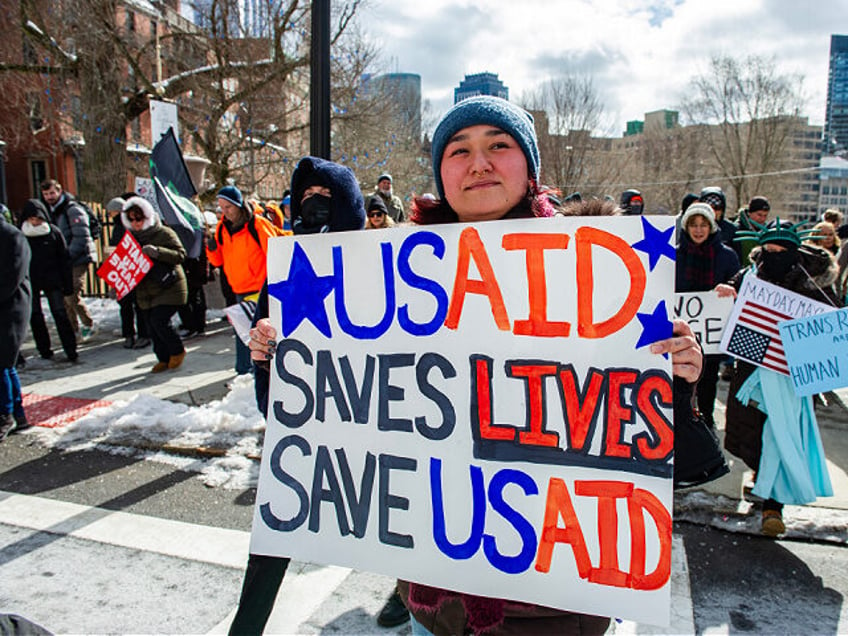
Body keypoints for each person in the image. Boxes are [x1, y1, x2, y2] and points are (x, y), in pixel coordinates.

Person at [249, 96, 702, 636]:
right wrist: (286, 363)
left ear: (529, 166)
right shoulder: (388, 276)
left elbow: (635, 435)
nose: (479, 162)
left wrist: (677, 378)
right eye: (459, 150)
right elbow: (352, 415)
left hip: (552, 605)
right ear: (441, 173)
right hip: (436, 601)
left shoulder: (603, 266)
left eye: (499, 145)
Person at [229, 156, 366, 636]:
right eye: (306, 197)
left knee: (400, 514)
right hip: (304, 425)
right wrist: (263, 354)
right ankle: (245, 627)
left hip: (372, 425)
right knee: (276, 528)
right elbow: (266, 339)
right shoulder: (285, 264)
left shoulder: (376, 258)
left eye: (326, 197)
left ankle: (401, 594)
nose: (314, 205)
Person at [720, 219, 838, 537]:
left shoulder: (813, 281)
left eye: (780, 250)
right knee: (747, 430)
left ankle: (773, 505)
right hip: (751, 364)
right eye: (768, 249)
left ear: (792, 250)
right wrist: (726, 291)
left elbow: (829, 323)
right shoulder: (752, 273)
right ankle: (762, 475)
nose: (773, 255)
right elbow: (734, 291)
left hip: (791, 373)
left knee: (781, 435)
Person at [675, 202, 740, 427]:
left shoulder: (727, 256)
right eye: (694, 224)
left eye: (704, 224)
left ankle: (706, 424)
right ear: (686, 227)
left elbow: (736, 285)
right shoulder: (674, 255)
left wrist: (730, 287)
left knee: (707, 384)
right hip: (681, 335)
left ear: (712, 226)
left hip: (711, 339)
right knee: (681, 382)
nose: (699, 229)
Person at [206, 185, 279, 375]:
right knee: (243, 333)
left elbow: (275, 253)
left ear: (238, 205)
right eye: (221, 208)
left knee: (258, 333)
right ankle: (245, 371)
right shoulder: (222, 228)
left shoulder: (257, 224)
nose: (225, 212)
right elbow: (218, 261)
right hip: (238, 290)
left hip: (259, 290)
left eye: (228, 207)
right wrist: (211, 248)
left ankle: (254, 371)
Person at [122, 197, 188, 373]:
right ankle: (163, 358)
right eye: (132, 219)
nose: (136, 223)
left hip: (169, 286)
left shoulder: (163, 233)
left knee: (159, 321)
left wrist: (157, 252)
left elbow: (180, 255)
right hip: (146, 290)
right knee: (151, 326)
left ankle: (177, 351)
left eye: (139, 218)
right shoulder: (130, 239)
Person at [19, 199, 79, 363]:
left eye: (38, 218)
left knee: (59, 313)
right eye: (32, 219)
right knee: (35, 315)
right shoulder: (21, 233)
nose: (35, 222)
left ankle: (70, 349)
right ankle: (44, 349)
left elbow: (64, 259)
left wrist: (67, 284)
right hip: (30, 280)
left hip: (52, 280)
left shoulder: (53, 232)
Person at [40, 179, 97, 339]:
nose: (49, 197)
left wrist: (67, 256)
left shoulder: (72, 209)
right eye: (46, 194)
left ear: (59, 191)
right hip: (61, 260)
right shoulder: (48, 210)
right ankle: (73, 330)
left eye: (52, 193)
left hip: (78, 257)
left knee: (72, 294)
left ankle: (89, 324)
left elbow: (82, 236)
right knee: (64, 297)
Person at [0, 212, 32, 440]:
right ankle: (18, 415)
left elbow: (12, 275)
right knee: (6, 364)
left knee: (3, 362)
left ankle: (5, 416)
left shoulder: (12, 236)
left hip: (10, 308)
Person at [106, 195, 151, 349]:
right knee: (132, 305)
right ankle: (135, 334)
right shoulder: (120, 227)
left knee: (132, 305)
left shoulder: (126, 227)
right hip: (125, 269)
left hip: (130, 269)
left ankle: (134, 335)